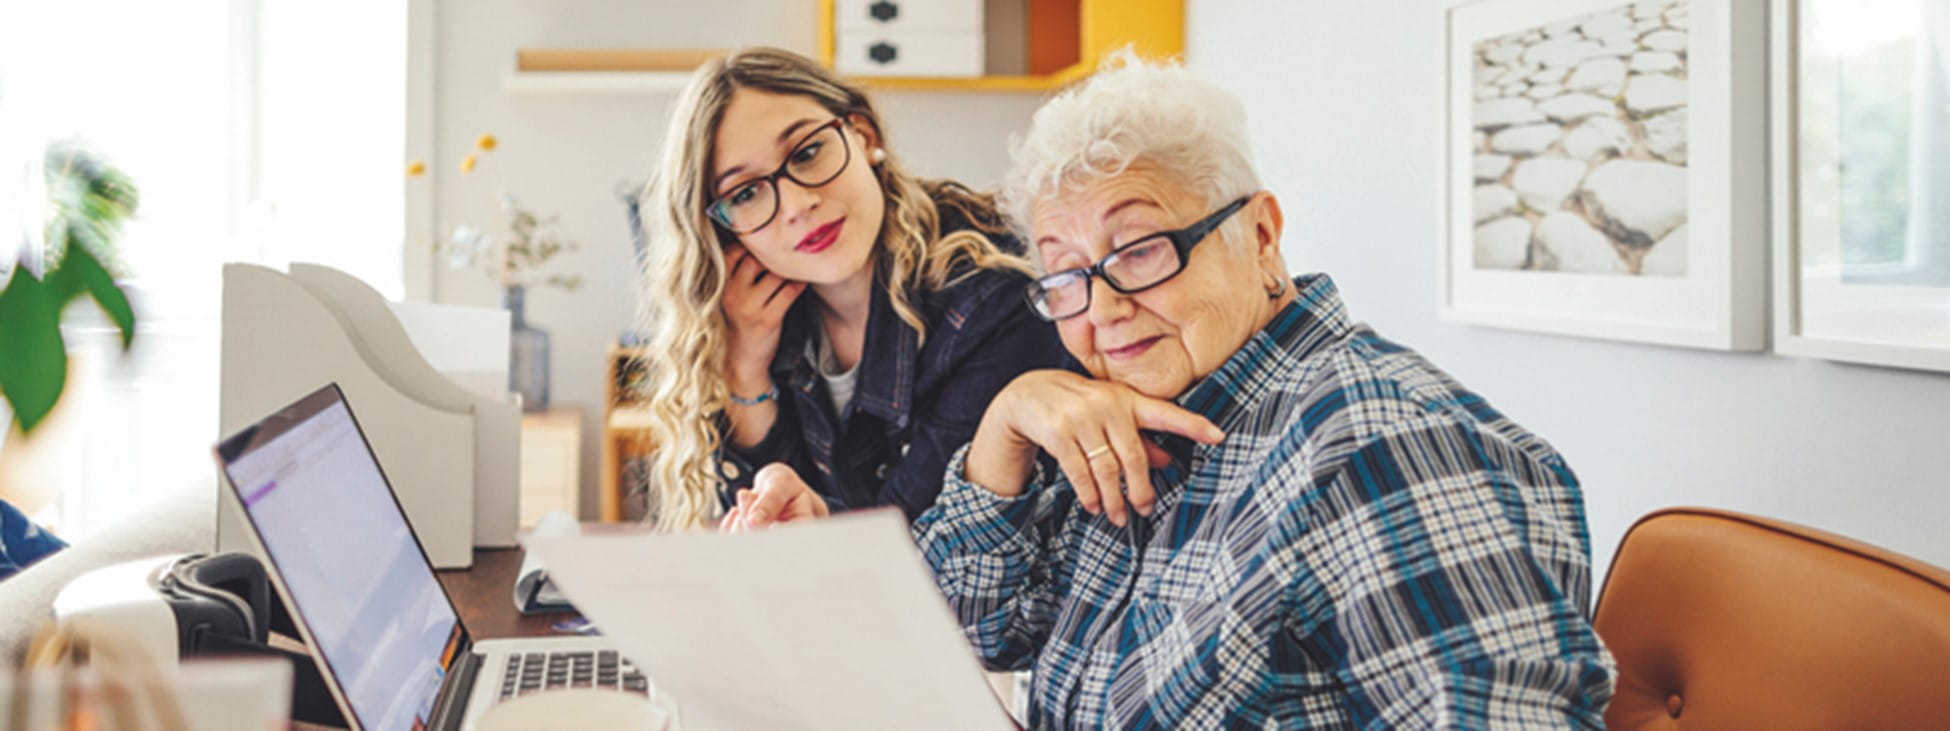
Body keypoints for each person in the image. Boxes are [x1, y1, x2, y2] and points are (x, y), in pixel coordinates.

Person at [906, 55, 1619, 727]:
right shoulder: (1146, 421)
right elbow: (976, 631)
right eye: (1065, 276)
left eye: (1140, 250)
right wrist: (1004, 429)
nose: (1103, 308)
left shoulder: (1383, 443)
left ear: (1260, 235)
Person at [636, 47, 1065, 531]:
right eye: (746, 193)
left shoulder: (988, 295)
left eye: (807, 152)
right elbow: (770, 531)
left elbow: (919, 543)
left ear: (863, 136)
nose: (797, 204)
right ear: (723, 230)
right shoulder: (758, 313)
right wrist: (746, 371)